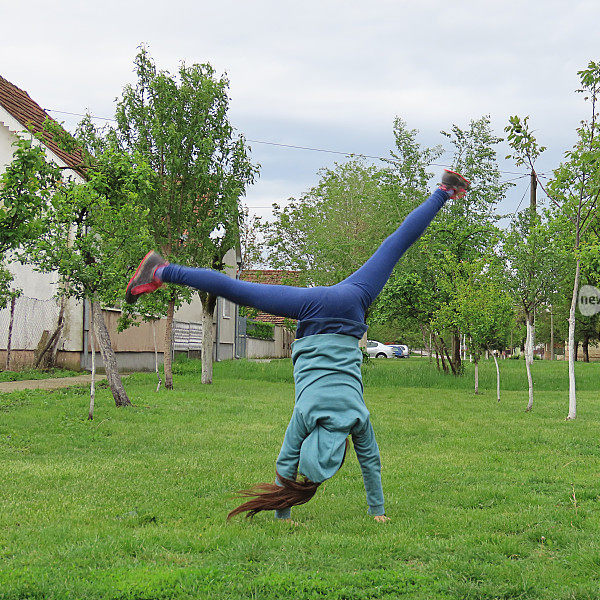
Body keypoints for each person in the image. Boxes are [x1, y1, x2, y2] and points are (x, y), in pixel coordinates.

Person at [125, 170, 470, 523]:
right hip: (314, 309)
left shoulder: (357, 417)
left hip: (351, 305)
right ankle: (162, 271)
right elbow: (286, 462)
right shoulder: (305, 416)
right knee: (239, 291)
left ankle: (444, 192)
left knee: (395, 245)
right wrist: (283, 513)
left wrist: (377, 511)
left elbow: (371, 463)